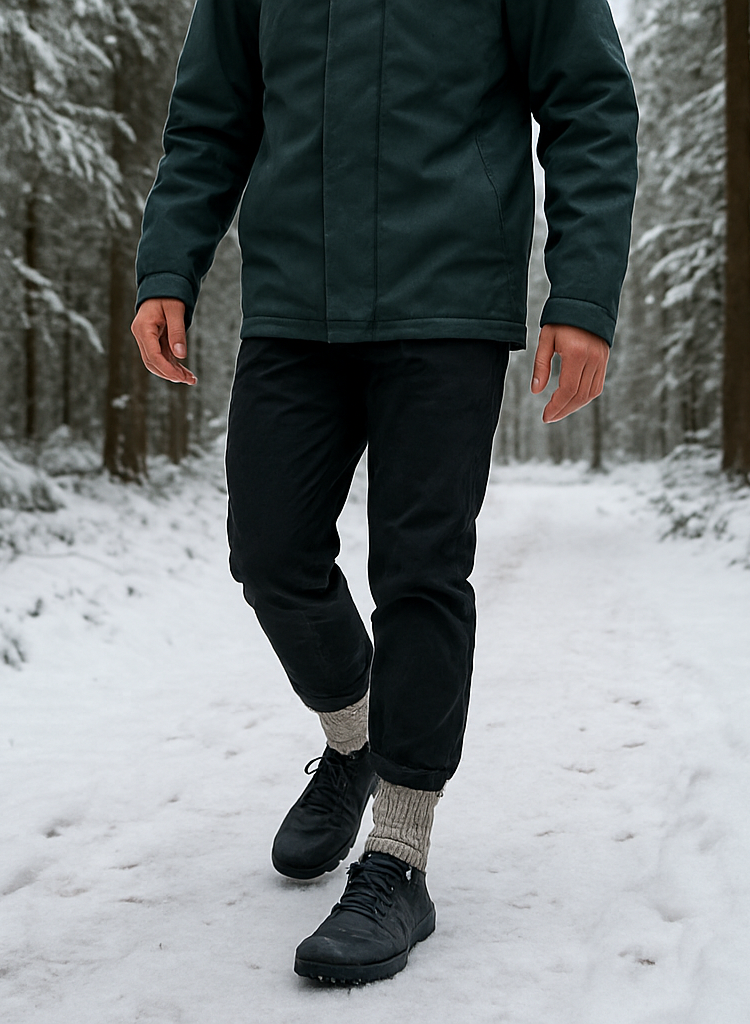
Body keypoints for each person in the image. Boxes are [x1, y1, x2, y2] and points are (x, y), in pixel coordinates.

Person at [131, 0, 638, 985]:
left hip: (446, 299)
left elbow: (588, 105)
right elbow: (212, 115)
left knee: (419, 570)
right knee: (271, 554)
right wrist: (168, 265)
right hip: (293, 304)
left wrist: (580, 296)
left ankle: (399, 858)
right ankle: (355, 740)